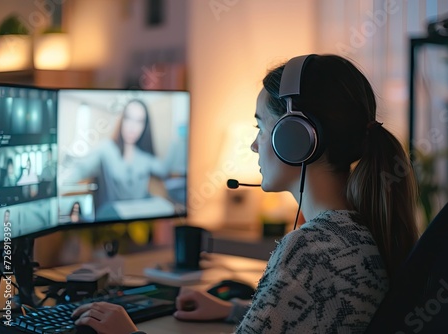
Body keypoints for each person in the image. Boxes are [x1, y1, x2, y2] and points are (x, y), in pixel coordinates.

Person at [71, 54, 419, 333]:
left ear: (294, 138)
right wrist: (235, 310)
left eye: (260, 126)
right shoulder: (360, 229)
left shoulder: (311, 249)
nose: (254, 145)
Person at [61, 99, 172, 219]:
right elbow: (81, 169)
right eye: (128, 118)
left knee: (167, 207)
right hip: (112, 215)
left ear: (145, 126)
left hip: (139, 216)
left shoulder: (145, 157)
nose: (132, 126)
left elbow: (164, 170)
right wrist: (60, 184)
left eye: (139, 121)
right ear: (122, 120)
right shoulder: (106, 149)